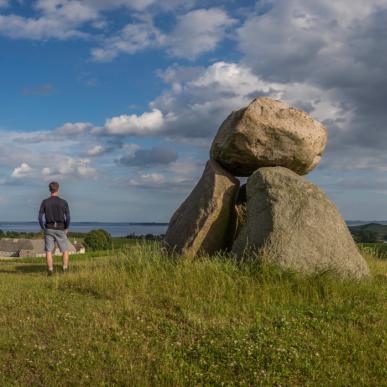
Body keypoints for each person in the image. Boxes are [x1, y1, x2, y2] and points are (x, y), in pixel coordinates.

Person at [38, 181, 71, 276]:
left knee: (48, 251)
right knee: (65, 250)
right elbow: (68, 217)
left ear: (49, 190)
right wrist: (67, 227)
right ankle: (64, 270)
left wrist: (43, 227)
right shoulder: (64, 202)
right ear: (58, 189)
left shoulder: (45, 202)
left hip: (49, 228)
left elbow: (40, 217)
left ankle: (50, 271)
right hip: (61, 228)